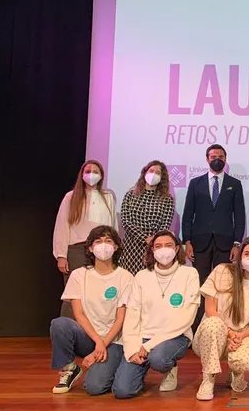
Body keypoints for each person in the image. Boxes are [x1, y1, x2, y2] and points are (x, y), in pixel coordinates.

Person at [113, 231, 200, 399]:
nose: (163, 250)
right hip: (143, 338)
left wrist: (149, 346)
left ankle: (169, 367)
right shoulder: (141, 276)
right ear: (152, 249)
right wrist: (132, 349)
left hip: (175, 337)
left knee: (158, 358)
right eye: (158, 246)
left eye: (168, 245)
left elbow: (186, 318)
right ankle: (139, 371)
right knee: (122, 391)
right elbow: (132, 315)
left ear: (177, 249)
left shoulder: (189, 274)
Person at [49, 225, 133, 395]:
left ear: (116, 247)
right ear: (90, 248)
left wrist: (103, 344)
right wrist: (98, 344)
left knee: (94, 387)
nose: (103, 245)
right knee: (59, 324)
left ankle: (115, 367)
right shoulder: (78, 275)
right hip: (89, 338)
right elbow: (79, 314)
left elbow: (120, 319)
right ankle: (69, 369)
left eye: (108, 241)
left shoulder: (125, 277)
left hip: (114, 341)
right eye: (98, 241)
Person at [193, 236, 249, 400]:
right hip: (212, 335)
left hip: (242, 336)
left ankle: (236, 372)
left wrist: (240, 336)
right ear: (240, 255)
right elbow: (210, 309)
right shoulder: (222, 271)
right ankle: (208, 379)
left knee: (247, 360)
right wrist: (229, 333)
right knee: (213, 323)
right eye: (247, 253)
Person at [182, 144, 246, 328]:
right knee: (201, 283)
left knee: (222, 284)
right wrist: (187, 241)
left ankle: (220, 323)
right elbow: (188, 214)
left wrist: (237, 243)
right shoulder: (196, 183)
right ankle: (198, 326)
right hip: (199, 242)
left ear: (225, 159)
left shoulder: (234, 184)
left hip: (225, 243)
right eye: (213, 156)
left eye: (220, 156)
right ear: (207, 159)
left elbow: (239, 216)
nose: (217, 159)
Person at [53, 160, 117, 319]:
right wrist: (61, 255)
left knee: (97, 292)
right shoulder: (71, 197)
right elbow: (62, 226)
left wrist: (114, 251)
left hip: (101, 251)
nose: (91, 175)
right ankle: (68, 329)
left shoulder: (108, 197)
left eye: (96, 172)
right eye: (88, 171)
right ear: (82, 175)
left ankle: (92, 330)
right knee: (73, 293)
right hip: (76, 250)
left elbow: (113, 226)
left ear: (101, 176)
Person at [120, 160, 175, 275]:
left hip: (155, 247)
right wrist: (145, 238)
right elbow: (126, 221)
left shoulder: (167, 199)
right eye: (151, 171)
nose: (154, 174)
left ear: (162, 177)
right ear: (145, 173)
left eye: (158, 173)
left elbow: (165, 225)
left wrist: (153, 241)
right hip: (132, 245)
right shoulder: (130, 195)